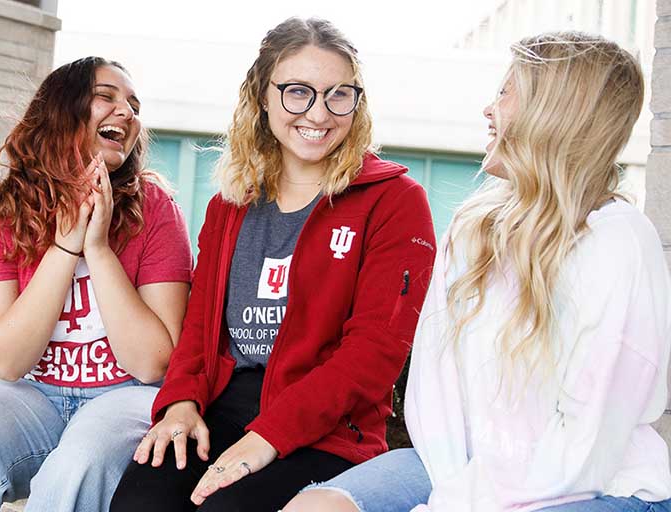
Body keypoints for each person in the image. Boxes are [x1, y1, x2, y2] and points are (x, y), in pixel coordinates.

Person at [283, 31, 671, 512]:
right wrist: (454, 492)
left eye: (506, 93)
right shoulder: (474, 227)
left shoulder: (618, 243)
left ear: (552, 114)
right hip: (464, 468)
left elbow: (588, 445)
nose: (489, 110)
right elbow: (435, 394)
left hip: (597, 485)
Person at [109, 17, 436, 512]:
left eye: (338, 95)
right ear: (263, 97)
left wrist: (267, 438)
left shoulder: (394, 201)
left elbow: (374, 354)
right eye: (298, 92)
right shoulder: (231, 204)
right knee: (141, 503)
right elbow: (200, 329)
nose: (319, 113)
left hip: (326, 429)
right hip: (222, 406)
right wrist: (179, 403)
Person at [0, 56, 193, 512]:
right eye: (106, 97)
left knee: (79, 462)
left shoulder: (154, 208)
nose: (127, 112)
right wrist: (64, 248)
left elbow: (154, 362)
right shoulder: (0, 215)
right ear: (62, 110)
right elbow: (7, 361)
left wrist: (96, 249)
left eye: (134, 105)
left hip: (127, 394)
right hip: (33, 393)